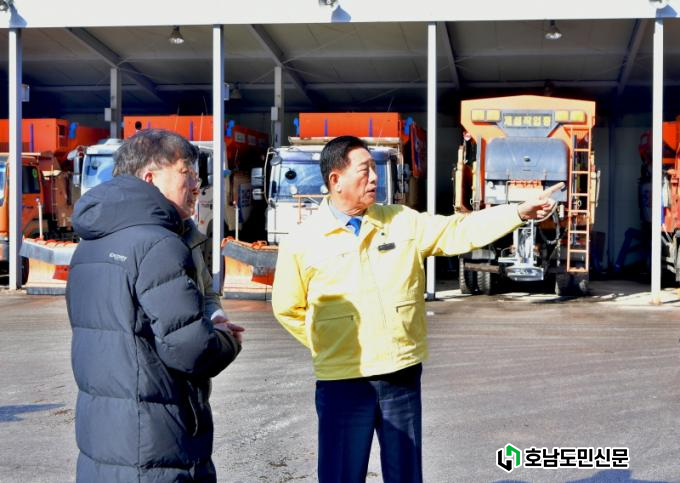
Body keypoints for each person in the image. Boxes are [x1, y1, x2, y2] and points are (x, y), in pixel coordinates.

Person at [271, 135, 563, 483]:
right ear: (336, 180)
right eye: (365, 170)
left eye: (375, 169)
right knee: (340, 475)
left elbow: (457, 230)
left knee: (406, 475)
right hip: (343, 381)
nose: (375, 178)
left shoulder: (401, 222)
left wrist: (515, 212)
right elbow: (288, 308)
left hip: (400, 373)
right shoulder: (302, 241)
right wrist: (329, 342)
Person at [66, 129, 241, 482]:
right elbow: (191, 349)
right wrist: (226, 340)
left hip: (104, 435)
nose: (196, 185)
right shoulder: (158, 244)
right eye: (186, 173)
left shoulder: (90, 245)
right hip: (156, 439)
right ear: (150, 178)